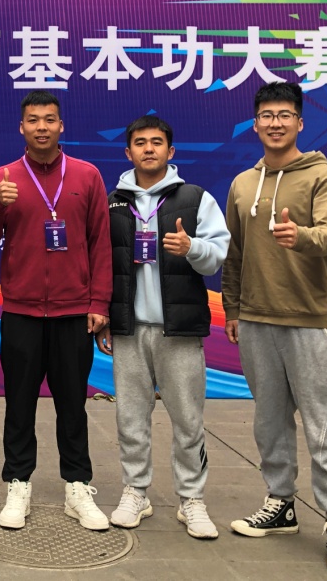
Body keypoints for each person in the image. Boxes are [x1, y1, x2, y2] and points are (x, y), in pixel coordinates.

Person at [223, 81, 327, 576]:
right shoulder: (243, 183)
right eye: (266, 115)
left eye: (284, 115)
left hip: (308, 320)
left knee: (326, 427)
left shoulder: (325, 178)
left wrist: (298, 236)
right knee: (269, 421)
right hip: (256, 320)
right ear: (255, 123)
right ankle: (280, 503)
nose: (275, 123)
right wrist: (232, 309)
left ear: (300, 122)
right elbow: (235, 252)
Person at [0, 90, 111, 531]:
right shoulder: (3, 177)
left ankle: (77, 486)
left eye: (49, 119)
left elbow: (100, 243)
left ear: (61, 125)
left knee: (73, 405)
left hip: (74, 312)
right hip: (22, 312)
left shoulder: (87, 175)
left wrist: (99, 302)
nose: (41, 127)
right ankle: (18, 483)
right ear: (21, 127)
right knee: (19, 404)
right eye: (33, 120)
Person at [95, 115, 229, 539]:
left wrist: (192, 247)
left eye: (156, 142)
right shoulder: (113, 202)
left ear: (170, 151)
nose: (148, 148)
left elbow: (217, 255)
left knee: (188, 420)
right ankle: (136, 491)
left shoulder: (195, 198)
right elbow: (101, 265)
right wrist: (104, 317)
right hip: (129, 330)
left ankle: (192, 499)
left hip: (179, 330)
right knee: (130, 418)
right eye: (140, 142)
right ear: (128, 152)